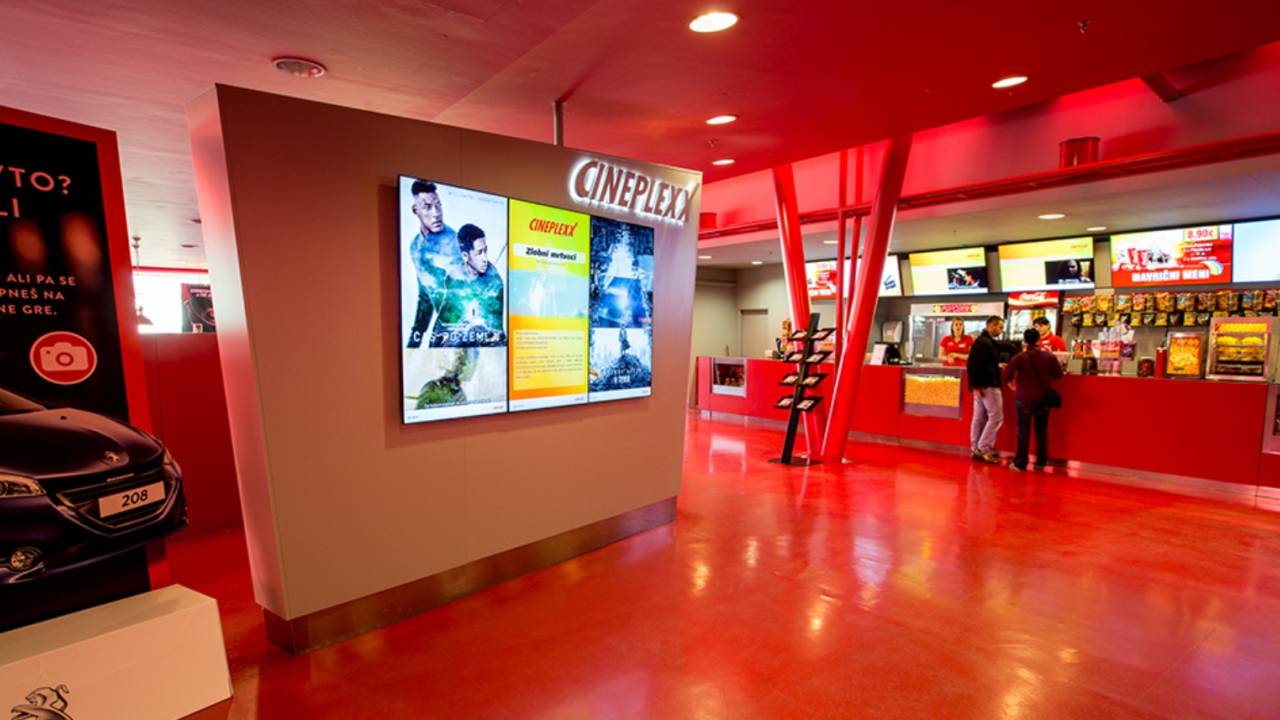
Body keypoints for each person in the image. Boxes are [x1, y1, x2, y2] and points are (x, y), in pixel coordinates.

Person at [406, 180, 463, 348]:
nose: (436, 213)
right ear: (415, 210)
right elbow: (425, 295)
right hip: (445, 333)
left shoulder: (455, 242)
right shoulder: (415, 247)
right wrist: (414, 341)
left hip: (462, 331)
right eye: (428, 207)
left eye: (438, 205)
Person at [432, 224, 505, 346]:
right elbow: (443, 323)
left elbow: (496, 332)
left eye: (485, 251)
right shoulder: (455, 280)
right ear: (465, 256)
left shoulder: (494, 283)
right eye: (479, 253)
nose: (485, 258)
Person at [1003, 328, 1065, 470]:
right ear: (1038, 340)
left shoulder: (1019, 357)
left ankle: (1021, 462)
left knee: (1023, 430)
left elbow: (1007, 374)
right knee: (1041, 430)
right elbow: (1058, 375)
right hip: (1042, 397)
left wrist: (1012, 384)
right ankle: (1041, 460)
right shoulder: (1049, 357)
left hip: (1023, 397)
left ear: (1024, 341)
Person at [967, 315, 1006, 464]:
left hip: (980, 385)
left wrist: (975, 385)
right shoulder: (984, 343)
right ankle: (984, 448)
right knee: (996, 416)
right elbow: (974, 365)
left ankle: (976, 448)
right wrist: (977, 385)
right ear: (991, 326)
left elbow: (977, 364)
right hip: (987, 384)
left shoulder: (982, 341)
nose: (1001, 331)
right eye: (999, 327)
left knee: (979, 417)